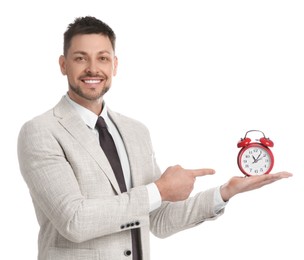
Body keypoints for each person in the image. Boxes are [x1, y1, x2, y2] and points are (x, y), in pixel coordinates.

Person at [17, 16, 292, 260]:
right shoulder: (41, 131)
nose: (92, 68)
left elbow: (157, 219)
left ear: (114, 65)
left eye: (102, 58)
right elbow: (74, 221)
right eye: (80, 58)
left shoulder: (136, 131)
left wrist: (225, 193)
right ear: (63, 65)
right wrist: (160, 190)